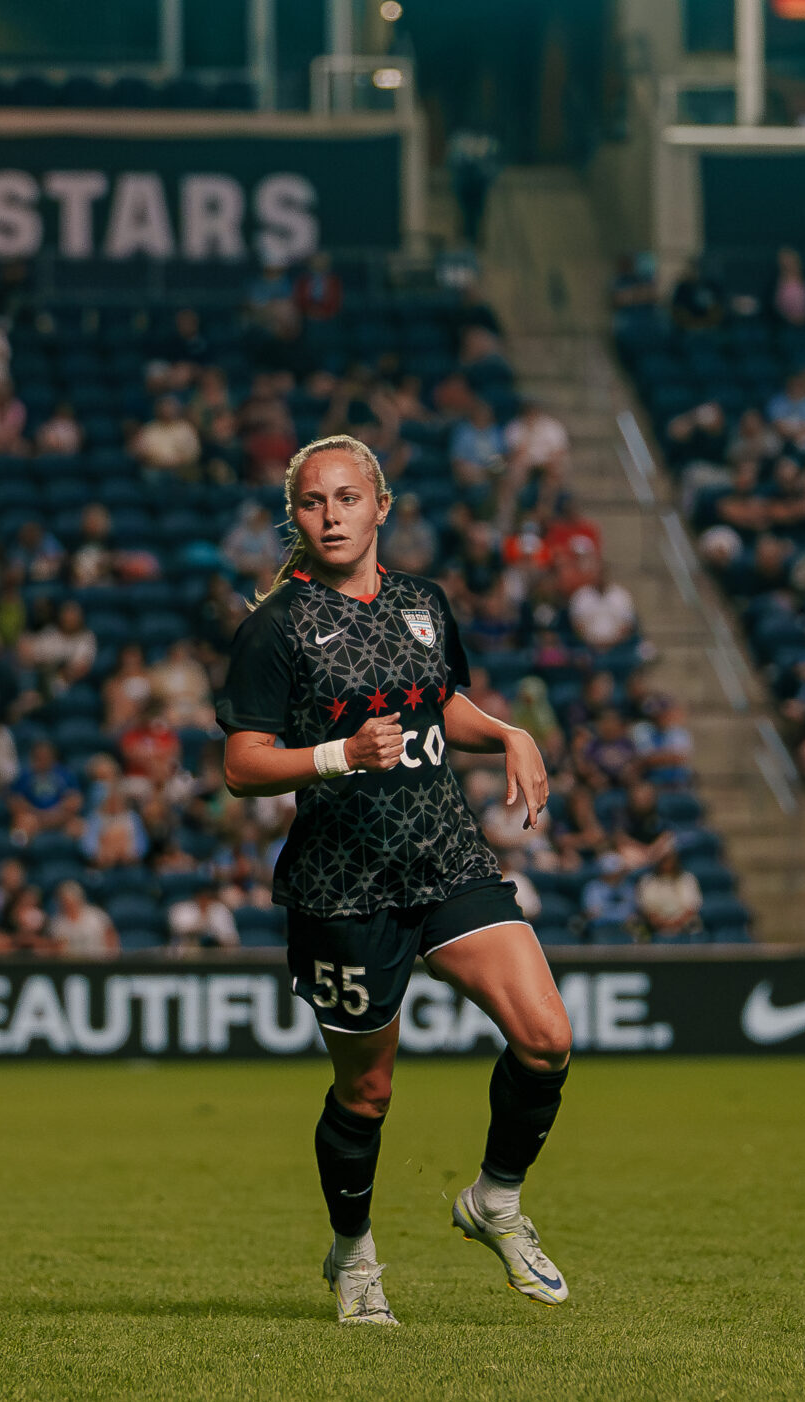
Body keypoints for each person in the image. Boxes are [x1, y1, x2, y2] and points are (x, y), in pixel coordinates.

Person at [218, 434, 573, 1326]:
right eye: (311, 503)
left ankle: (494, 1202)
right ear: (295, 517)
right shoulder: (275, 628)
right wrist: (337, 753)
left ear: (382, 506)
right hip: (344, 888)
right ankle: (353, 1256)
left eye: (346, 498)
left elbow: (439, 702)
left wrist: (509, 733)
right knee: (366, 1093)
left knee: (546, 1037)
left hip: (445, 859)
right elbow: (242, 762)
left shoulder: (423, 601)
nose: (330, 515)